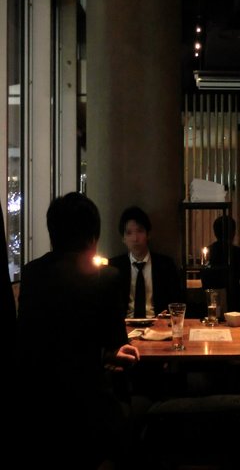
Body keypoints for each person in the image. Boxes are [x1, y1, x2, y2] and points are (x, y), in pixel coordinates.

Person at [15, 192, 141, 469]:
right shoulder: (106, 278)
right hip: (90, 414)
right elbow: (117, 345)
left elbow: (31, 341)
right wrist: (111, 354)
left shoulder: (32, 273)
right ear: (92, 237)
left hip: (37, 412)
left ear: (53, 234)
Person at [109, 206, 182, 319]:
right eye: (129, 233)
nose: (135, 238)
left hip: (157, 323)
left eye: (140, 231)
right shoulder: (114, 267)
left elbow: (177, 303)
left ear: (148, 235)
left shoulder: (165, 265)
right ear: (123, 238)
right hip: (125, 324)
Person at [201, 215, 240, 316]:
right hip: (234, 302)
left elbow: (204, 275)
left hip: (211, 300)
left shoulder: (208, 251)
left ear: (215, 232)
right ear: (233, 232)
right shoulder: (237, 252)